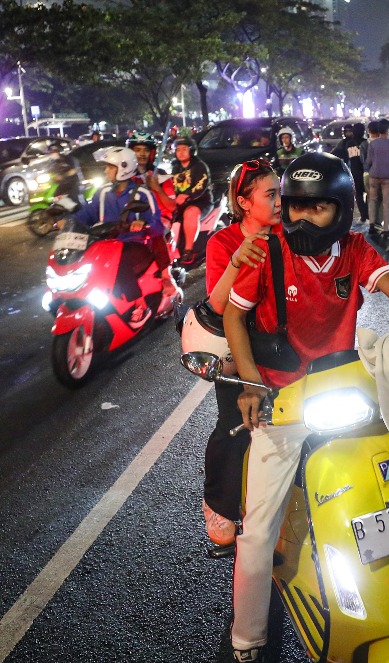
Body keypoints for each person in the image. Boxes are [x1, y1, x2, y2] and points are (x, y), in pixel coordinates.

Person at [223, 152, 389, 663]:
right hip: (284, 399)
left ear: (341, 209)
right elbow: (233, 317)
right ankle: (247, 639)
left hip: (345, 388)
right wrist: (250, 386)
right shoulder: (265, 252)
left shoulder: (354, 249)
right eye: (294, 207)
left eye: (316, 209)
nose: (302, 218)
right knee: (258, 528)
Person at [194, 158, 276, 557]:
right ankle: (220, 504)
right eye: (270, 194)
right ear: (245, 202)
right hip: (235, 347)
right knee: (235, 424)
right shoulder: (222, 241)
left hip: (282, 346)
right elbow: (216, 303)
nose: (280, 202)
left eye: (281, 193)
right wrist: (239, 258)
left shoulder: (288, 234)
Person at [70, 146, 179, 312]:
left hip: (135, 245)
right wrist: (68, 221)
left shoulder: (143, 194)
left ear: (123, 168)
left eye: (110, 167)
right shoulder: (103, 193)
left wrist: (142, 223)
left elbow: (156, 225)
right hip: (106, 245)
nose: (106, 171)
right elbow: (87, 214)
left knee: (116, 265)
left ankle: (138, 305)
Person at [170, 137, 213, 265]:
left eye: (184, 149)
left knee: (190, 213)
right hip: (180, 201)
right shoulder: (175, 167)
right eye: (178, 150)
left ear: (191, 150)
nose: (181, 152)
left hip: (200, 201)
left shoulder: (200, 166)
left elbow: (201, 185)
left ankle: (188, 250)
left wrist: (186, 196)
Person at [363, 118, 389, 234]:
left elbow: (368, 161)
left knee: (372, 200)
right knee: (386, 202)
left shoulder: (372, 144)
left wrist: (368, 169)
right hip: (387, 177)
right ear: (388, 130)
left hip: (374, 176)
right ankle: (386, 228)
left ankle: (371, 225)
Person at [332, 123, 367, 223]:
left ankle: (364, 214)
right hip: (366, 172)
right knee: (369, 194)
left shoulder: (348, 144)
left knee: (358, 194)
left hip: (355, 171)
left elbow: (341, 156)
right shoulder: (365, 143)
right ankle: (366, 213)